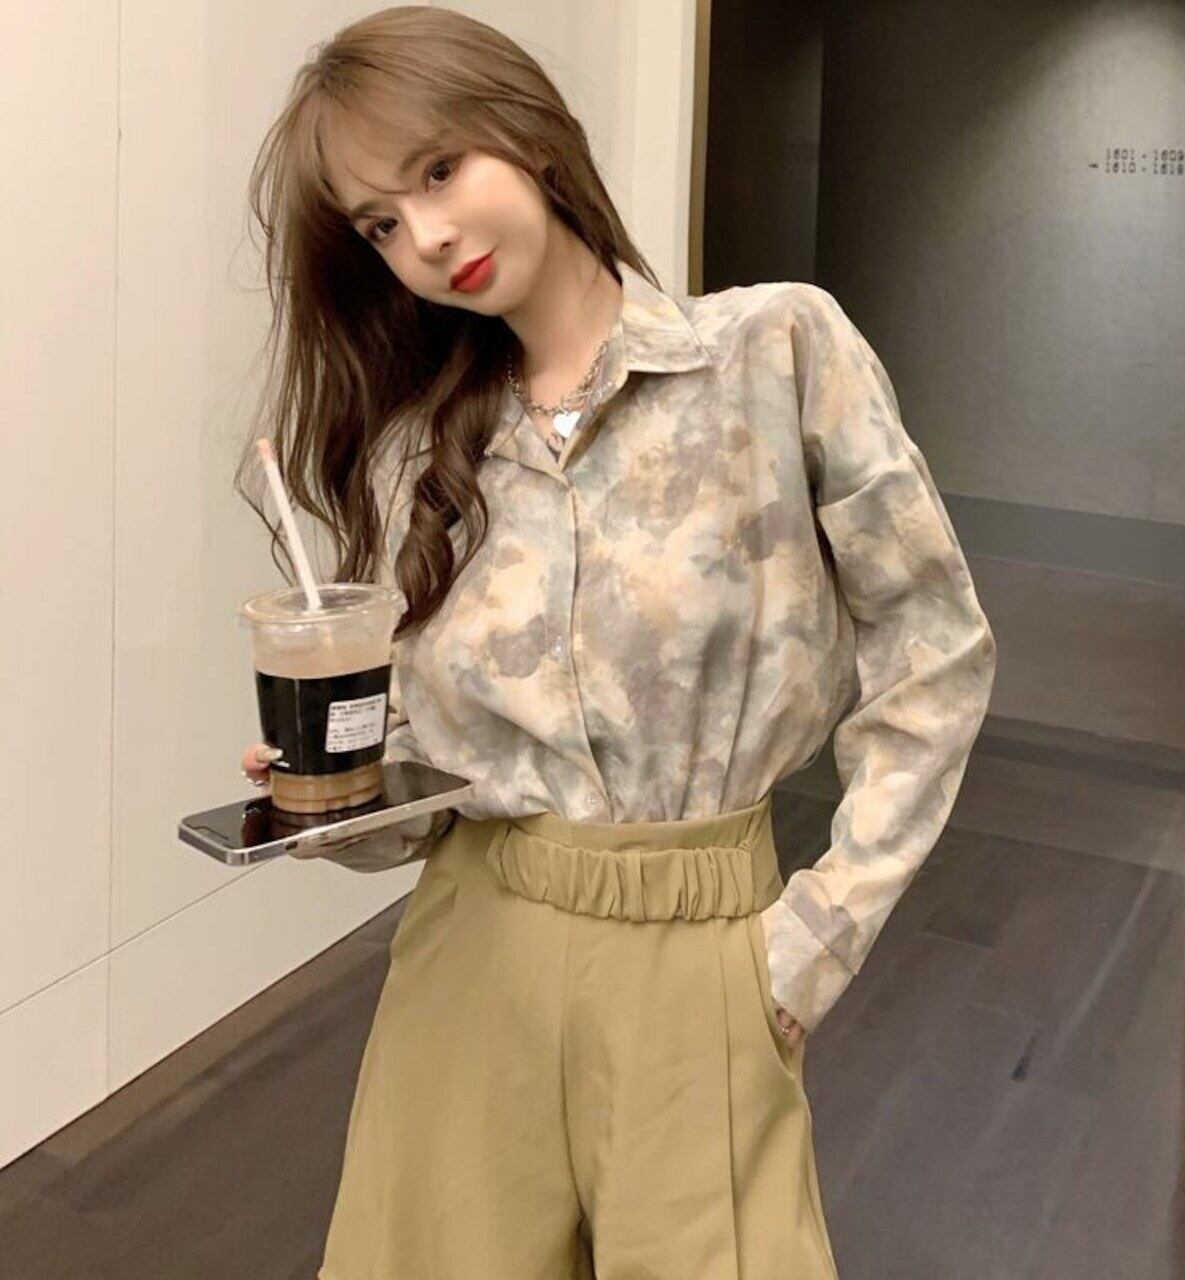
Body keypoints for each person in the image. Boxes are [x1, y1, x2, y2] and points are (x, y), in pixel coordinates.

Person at [235, 5, 997, 1277]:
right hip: (470, 950)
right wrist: (332, 799)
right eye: (379, 224)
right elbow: (434, 780)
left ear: (527, 133)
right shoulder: (426, 455)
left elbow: (935, 650)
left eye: (439, 170)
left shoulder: (775, 350)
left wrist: (812, 938)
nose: (426, 236)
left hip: (703, 950)